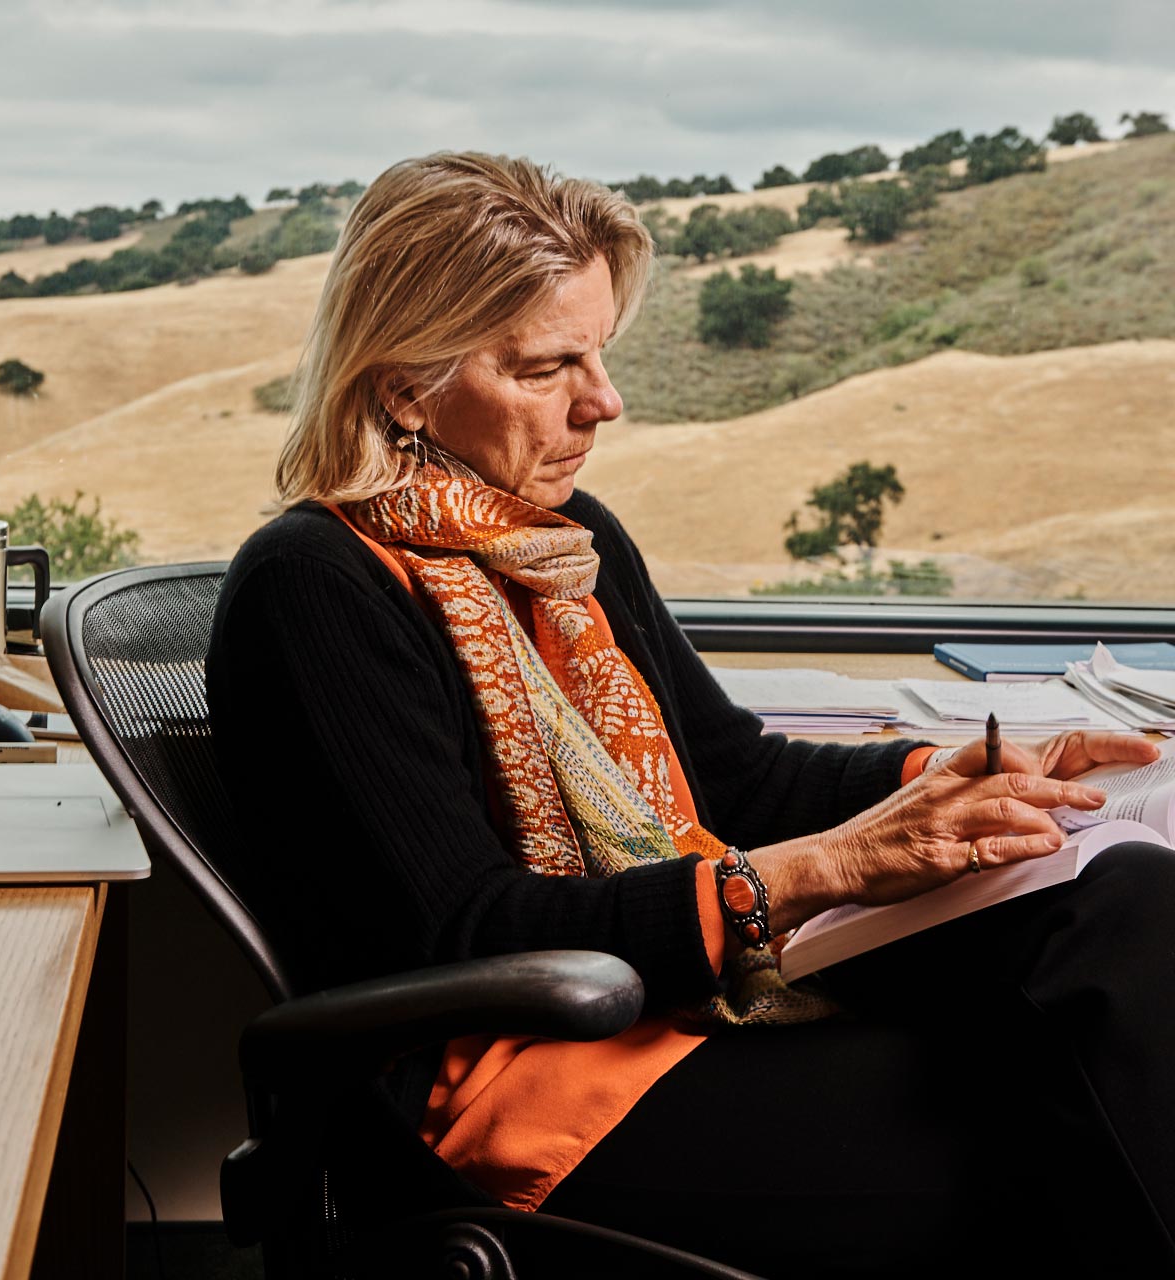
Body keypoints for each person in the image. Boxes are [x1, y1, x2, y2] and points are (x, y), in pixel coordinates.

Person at [206, 151, 1175, 1277]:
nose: (601, 400)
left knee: (1126, 896)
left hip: (688, 1003)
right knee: (1080, 1124)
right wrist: (819, 870)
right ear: (401, 386)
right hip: (542, 1081)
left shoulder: (567, 540)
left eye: (600, 352)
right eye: (547, 365)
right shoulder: (314, 585)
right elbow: (465, 931)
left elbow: (738, 778)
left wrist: (951, 772)